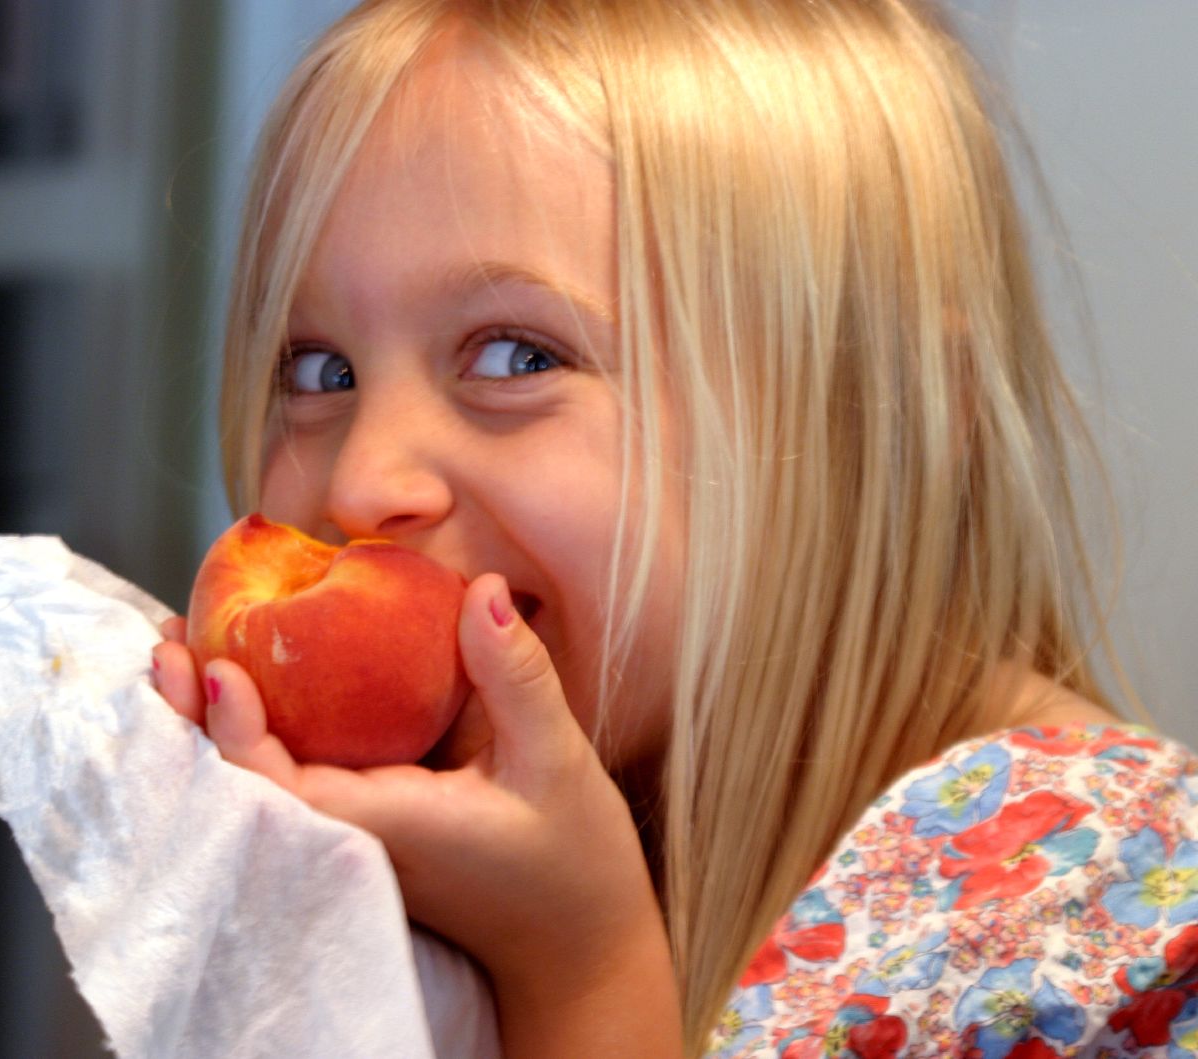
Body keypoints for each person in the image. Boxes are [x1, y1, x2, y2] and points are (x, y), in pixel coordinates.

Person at [152, 1, 1198, 1055]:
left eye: (516, 356)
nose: (363, 481)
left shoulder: (1099, 922)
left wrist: (577, 970)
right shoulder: (434, 838)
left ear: (879, 410)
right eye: (319, 370)